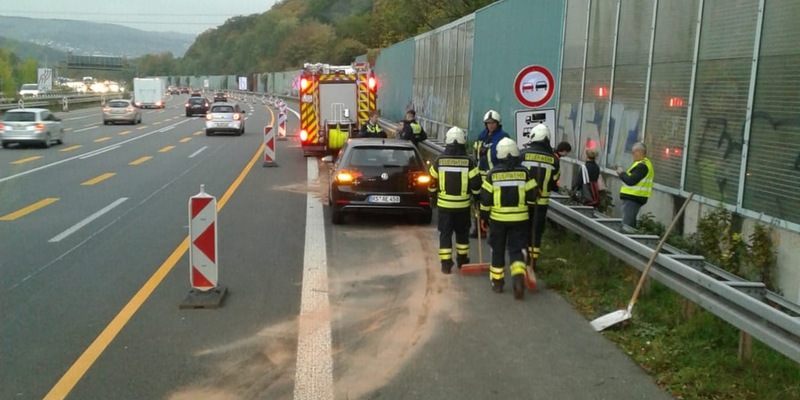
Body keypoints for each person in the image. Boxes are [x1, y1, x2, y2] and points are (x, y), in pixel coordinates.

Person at [479, 137, 538, 300]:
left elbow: (485, 200)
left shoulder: (492, 174)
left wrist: (483, 217)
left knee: (497, 249)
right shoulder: (524, 173)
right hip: (520, 219)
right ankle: (518, 280)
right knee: (516, 250)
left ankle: (497, 283)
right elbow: (532, 196)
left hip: (498, 220)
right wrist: (530, 212)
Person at [428, 126, 482, 274]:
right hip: (463, 206)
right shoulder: (469, 162)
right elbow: (476, 184)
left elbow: (432, 182)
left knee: (445, 234)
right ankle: (462, 261)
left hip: (444, 206)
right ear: (463, 142)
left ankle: (446, 264)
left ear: (448, 141)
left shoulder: (439, 161)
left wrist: (432, 196)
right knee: (462, 234)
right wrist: (477, 198)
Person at [520, 124, 559, 265]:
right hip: (541, 204)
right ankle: (533, 262)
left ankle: (521, 257)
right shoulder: (554, 159)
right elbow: (555, 182)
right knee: (536, 233)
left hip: (523, 201)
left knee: (523, 229)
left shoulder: (523, 154)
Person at [470, 109, 510, 238]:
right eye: (488, 123)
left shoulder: (503, 137)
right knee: (478, 203)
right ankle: (479, 227)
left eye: (493, 123)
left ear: (498, 123)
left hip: (495, 177)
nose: (490, 125)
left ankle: (493, 229)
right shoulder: (482, 136)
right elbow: (475, 152)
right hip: (480, 176)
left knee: (492, 203)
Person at [616, 142, 654, 230]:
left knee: (627, 226)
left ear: (639, 152)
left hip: (634, 198)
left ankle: (625, 242)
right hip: (634, 197)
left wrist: (621, 173)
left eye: (633, 153)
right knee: (629, 223)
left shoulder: (642, 166)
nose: (632, 155)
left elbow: (631, 181)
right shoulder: (640, 164)